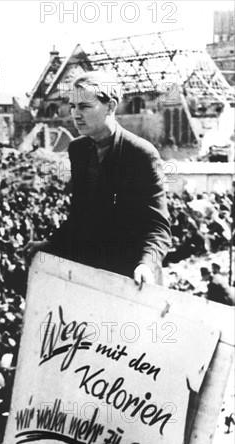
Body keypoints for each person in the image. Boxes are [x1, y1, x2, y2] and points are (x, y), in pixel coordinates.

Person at [24, 71, 171, 286]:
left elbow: (158, 226)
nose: (75, 114)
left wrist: (147, 264)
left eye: (84, 106)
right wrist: (50, 244)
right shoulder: (78, 149)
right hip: (89, 273)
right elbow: (81, 214)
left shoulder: (140, 153)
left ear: (110, 107)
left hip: (131, 277)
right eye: (73, 106)